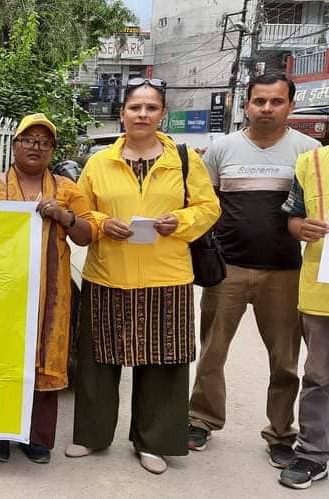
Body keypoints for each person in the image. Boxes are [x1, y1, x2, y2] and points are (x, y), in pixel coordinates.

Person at [66, 78, 220, 474]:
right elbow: (81, 210)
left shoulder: (184, 160)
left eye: (151, 108)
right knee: (98, 362)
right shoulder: (99, 162)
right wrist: (103, 223)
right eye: (135, 107)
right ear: (122, 114)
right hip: (108, 273)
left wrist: (180, 221)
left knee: (164, 362)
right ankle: (91, 435)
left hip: (166, 276)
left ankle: (153, 442)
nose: (142, 114)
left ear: (162, 114)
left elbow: (208, 208)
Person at [188, 73, 319, 467]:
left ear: (290, 106)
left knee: (285, 360)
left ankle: (280, 433)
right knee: (212, 352)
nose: (266, 108)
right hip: (226, 268)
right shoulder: (220, 149)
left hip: (285, 272)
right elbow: (204, 205)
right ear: (245, 104)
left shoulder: (309, 152)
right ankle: (201, 420)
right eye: (259, 101)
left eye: (276, 101)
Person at [0, 114, 93, 464]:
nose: (35, 147)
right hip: (0, 291)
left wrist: (65, 216)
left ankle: (37, 438)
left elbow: (88, 233)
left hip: (49, 293)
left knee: (44, 358)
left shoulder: (66, 190)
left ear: (52, 149)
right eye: (28, 140)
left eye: (43, 142)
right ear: (14, 145)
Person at [278, 146, 329, 490]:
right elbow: (293, 216)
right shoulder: (313, 162)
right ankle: (313, 453)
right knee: (319, 377)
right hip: (322, 290)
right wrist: (300, 228)